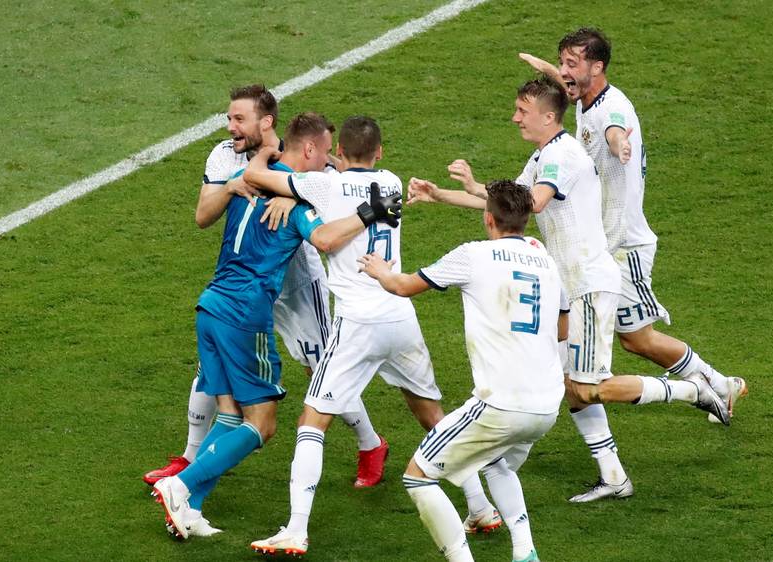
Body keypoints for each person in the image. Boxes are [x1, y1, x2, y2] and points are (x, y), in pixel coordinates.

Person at [408, 76, 730, 504]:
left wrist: (471, 188)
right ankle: (613, 475)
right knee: (569, 383)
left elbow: (534, 203)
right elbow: (509, 204)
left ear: (548, 116)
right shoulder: (544, 154)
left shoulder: (562, 155)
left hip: (588, 286)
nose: (515, 118)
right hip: (568, 287)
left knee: (589, 388)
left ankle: (692, 389)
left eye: (522, 111)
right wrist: (443, 195)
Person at [230, 116, 500, 557]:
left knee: (313, 420)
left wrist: (271, 163)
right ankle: (481, 505)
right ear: (380, 152)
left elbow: (257, 176)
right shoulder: (390, 181)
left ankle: (296, 529)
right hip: (400, 315)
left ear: (338, 151)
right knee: (433, 416)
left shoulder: (324, 185)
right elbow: (355, 182)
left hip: (357, 321)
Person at [151, 113, 403, 540]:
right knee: (263, 423)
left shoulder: (245, 184)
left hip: (210, 305)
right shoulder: (298, 206)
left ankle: (189, 508)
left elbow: (245, 186)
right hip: (245, 313)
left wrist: (273, 170)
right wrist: (369, 212)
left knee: (229, 415)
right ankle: (181, 484)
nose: (328, 162)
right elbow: (325, 240)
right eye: (325, 153)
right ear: (309, 149)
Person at [519, 28, 748, 434]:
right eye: (562, 62)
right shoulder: (587, 99)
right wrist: (552, 73)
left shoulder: (613, 109)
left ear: (597, 67)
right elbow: (574, 93)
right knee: (600, 333)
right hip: (598, 246)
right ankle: (569, 390)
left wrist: (618, 143)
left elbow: (615, 127)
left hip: (623, 246)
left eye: (572, 64)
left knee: (637, 339)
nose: (565, 71)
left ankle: (714, 384)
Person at [359, 179, 565, 562]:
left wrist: (380, 270)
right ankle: (525, 552)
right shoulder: (547, 260)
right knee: (492, 458)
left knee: (417, 476)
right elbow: (563, 328)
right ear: (525, 219)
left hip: (501, 405)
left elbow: (403, 287)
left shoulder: (474, 255)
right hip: (547, 405)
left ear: (489, 218)